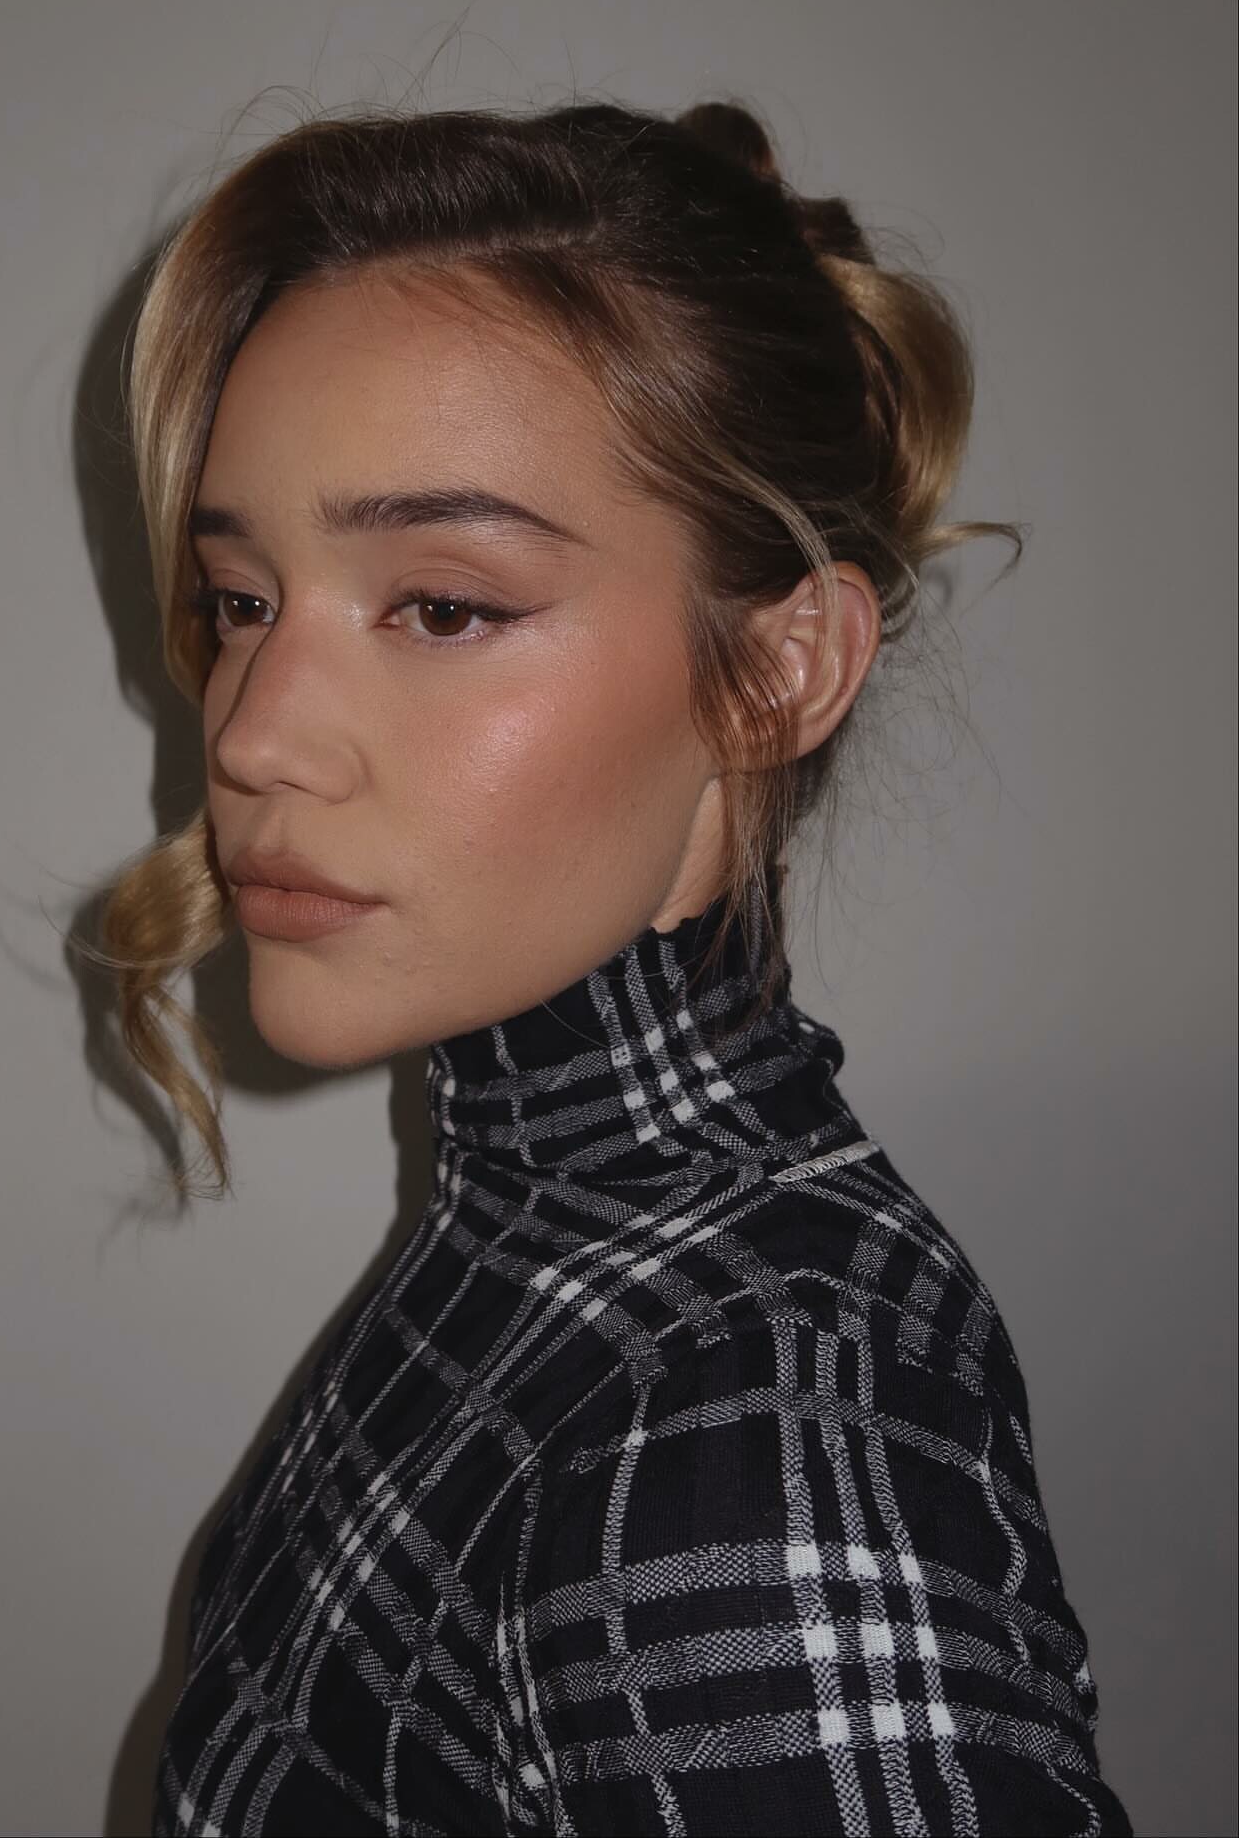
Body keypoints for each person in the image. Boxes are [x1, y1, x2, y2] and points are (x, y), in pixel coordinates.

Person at [90, 96, 1132, 1835]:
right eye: (245, 600)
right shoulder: (548, 1237)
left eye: (443, 605)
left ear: (778, 672)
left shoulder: (746, 1434)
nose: (255, 734)